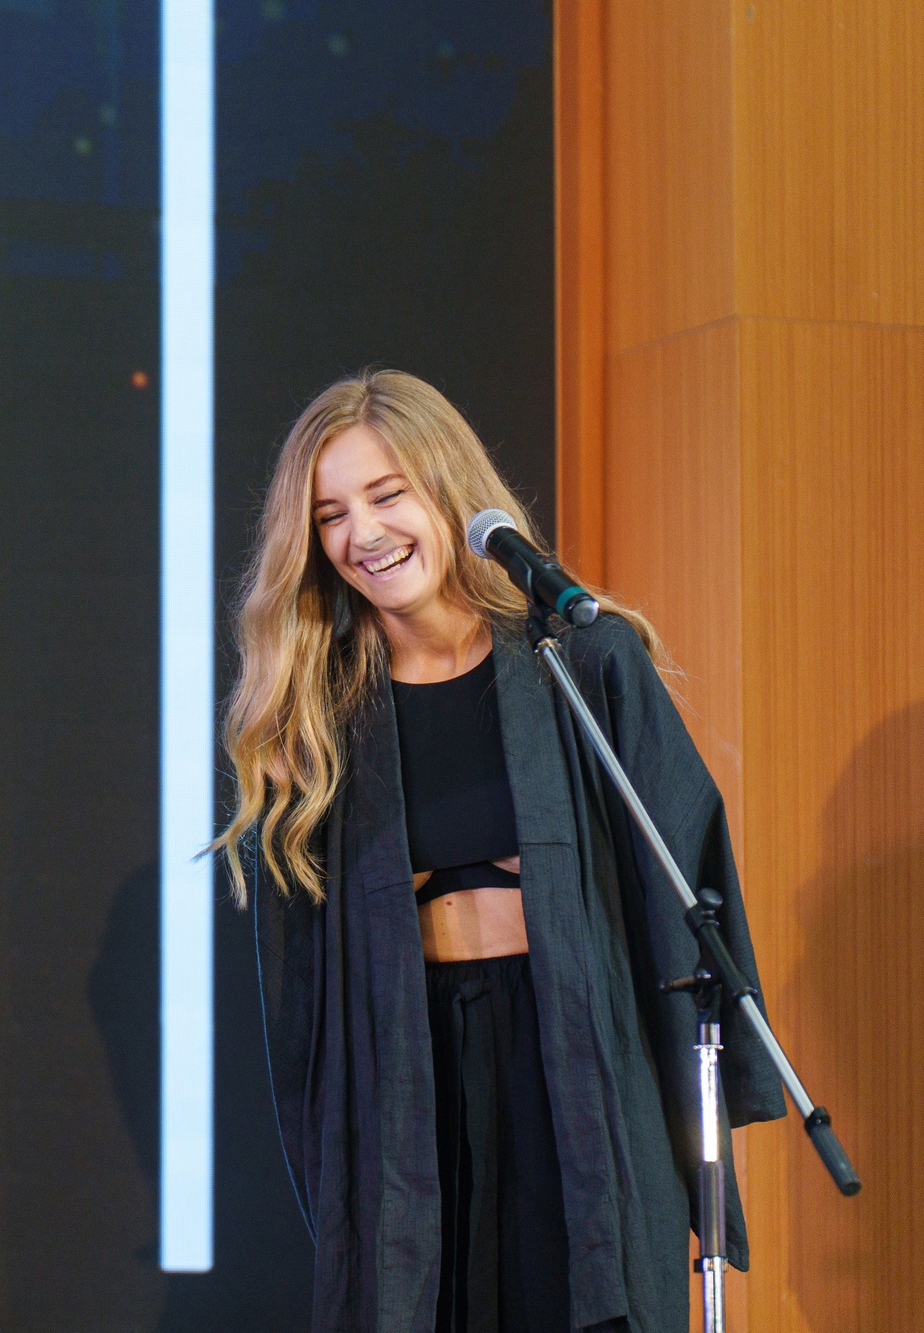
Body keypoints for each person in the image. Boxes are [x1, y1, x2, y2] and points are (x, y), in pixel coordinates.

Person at [218, 369, 785, 1332]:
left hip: (571, 1050)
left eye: (387, 494)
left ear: (447, 486)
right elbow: (298, 975)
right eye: (330, 515)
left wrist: (705, 1129)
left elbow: (686, 882)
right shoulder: (316, 711)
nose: (363, 533)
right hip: (410, 1064)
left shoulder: (581, 659)